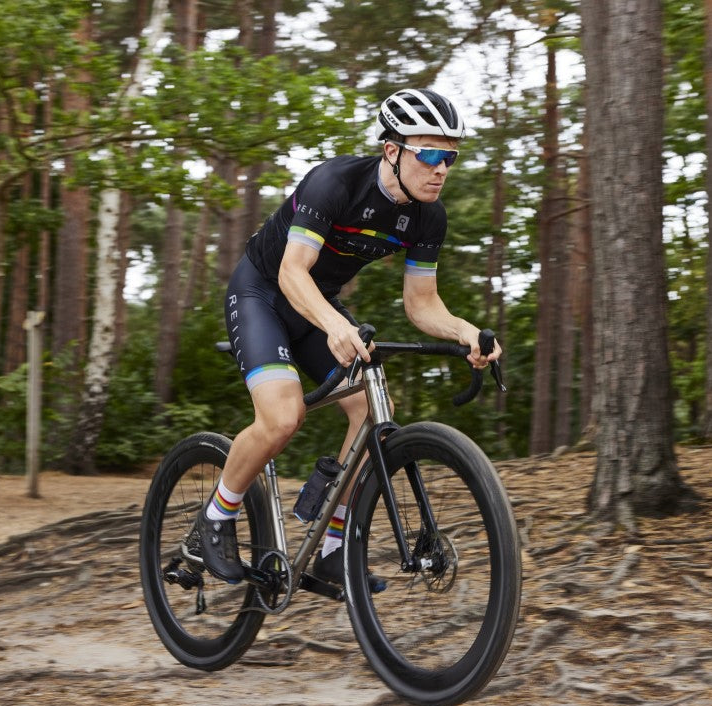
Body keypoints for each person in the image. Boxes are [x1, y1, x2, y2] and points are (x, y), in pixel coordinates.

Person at [199, 87, 502, 585]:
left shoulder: (429, 215)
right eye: (429, 154)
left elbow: (421, 303)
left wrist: (467, 332)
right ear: (392, 151)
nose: (441, 168)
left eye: (449, 156)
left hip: (317, 303)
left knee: (370, 416)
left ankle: (333, 545)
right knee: (282, 417)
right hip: (263, 292)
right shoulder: (333, 183)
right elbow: (294, 272)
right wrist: (336, 324)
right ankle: (217, 516)